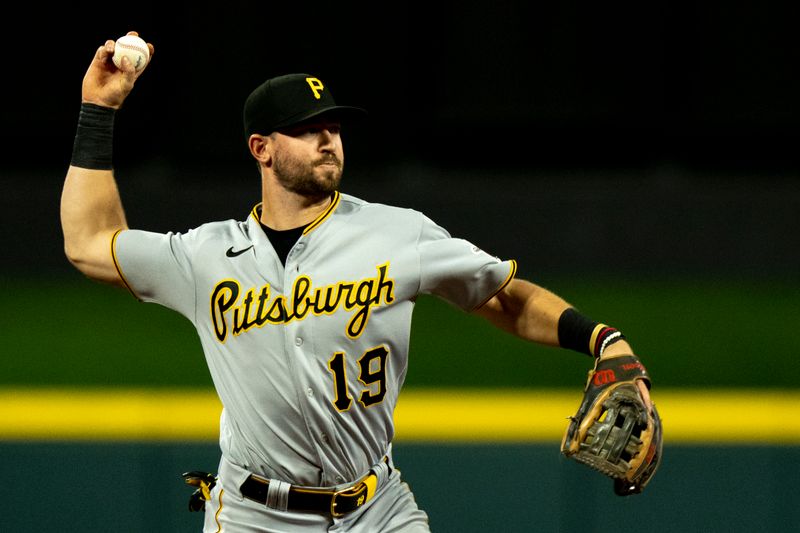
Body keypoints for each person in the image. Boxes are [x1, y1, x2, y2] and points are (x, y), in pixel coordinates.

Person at [61, 32, 653, 532]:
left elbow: (501, 295)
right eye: (306, 128)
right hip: (252, 515)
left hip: (377, 510)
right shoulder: (205, 256)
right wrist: (98, 112)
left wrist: (601, 338)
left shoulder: (397, 234)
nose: (328, 139)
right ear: (261, 149)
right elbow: (89, 244)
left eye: (334, 126)